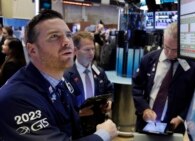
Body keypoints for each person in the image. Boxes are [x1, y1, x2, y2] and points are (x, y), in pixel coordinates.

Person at [0, 9, 117, 141]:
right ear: (32, 49)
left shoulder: (62, 83)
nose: (67, 42)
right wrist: (103, 134)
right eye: (54, 36)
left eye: (68, 35)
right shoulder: (15, 98)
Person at [132, 22, 195, 134]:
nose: (169, 53)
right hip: (146, 123)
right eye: (166, 47)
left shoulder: (193, 68)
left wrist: (181, 117)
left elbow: (194, 97)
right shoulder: (148, 59)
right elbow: (137, 87)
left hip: (173, 128)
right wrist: (144, 108)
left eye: (175, 50)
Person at [64, 31, 114, 136]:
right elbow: (61, 106)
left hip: (98, 126)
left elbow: (109, 90)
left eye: (93, 49)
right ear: (75, 51)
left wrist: (109, 102)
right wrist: (78, 114)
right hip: (77, 130)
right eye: (87, 50)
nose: (91, 53)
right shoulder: (66, 75)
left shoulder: (99, 72)